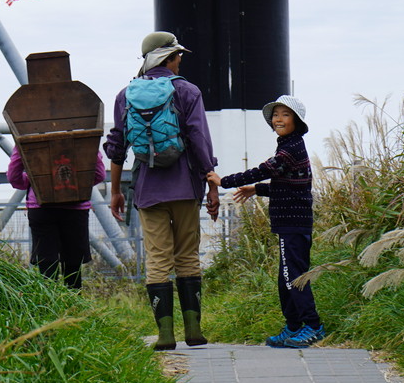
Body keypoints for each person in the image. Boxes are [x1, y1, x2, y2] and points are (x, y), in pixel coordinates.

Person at [104, 31, 219, 351]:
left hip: (147, 190)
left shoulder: (125, 95)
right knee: (187, 257)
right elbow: (199, 141)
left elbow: (116, 148)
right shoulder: (188, 92)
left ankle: (166, 335)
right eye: (177, 55)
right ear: (167, 58)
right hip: (185, 187)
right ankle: (193, 331)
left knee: (157, 260)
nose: (180, 59)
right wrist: (211, 183)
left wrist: (116, 191)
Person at [207, 94, 325, 349]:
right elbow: (292, 186)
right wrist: (257, 190)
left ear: (297, 121)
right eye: (276, 114)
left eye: (286, 114)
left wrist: (224, 181)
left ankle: (313, 326)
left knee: (293, 276)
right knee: (286, 277)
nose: (279, 119)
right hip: (291, 222)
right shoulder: (290, 145)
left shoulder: (290, 148)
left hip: (293, 222)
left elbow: (265, 169)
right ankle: (294, 326)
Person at [6, 145, 107, 290]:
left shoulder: (27, 139)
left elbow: (13, 177)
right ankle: (74, 304)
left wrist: (32, 182)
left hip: (41, 207)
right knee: (73, 264)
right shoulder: (82, 137)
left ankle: (50, 304)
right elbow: (99, 174)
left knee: (46, 263)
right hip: (75, 207)